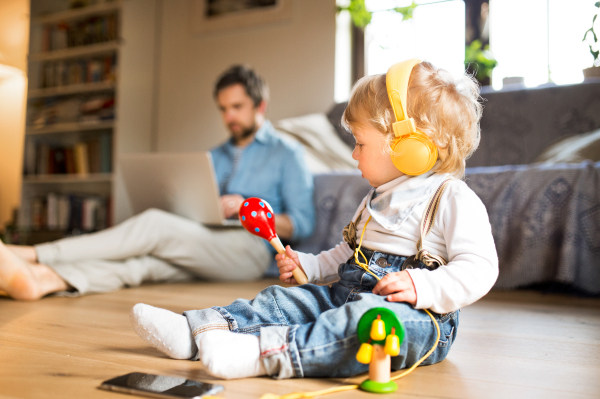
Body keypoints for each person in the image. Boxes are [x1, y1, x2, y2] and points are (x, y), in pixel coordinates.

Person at [129, 59, 499, 380]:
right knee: (282, 300)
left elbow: (480, 268)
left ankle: (263, 355)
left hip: (419, 321)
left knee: (364, 321)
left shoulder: (451, 198)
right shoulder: (375, 198)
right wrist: (308, 264)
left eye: (359, 143)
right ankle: (196, 329)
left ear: (408, 147)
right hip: (346, 296)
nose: (353, 154)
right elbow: (347, 256)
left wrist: (424, 287)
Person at [0, 65, 315, 300]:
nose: (228, 117)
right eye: (223, 109)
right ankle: (42, 280)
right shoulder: (215, 155)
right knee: (145, 265)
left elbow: (303, 223)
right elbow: (202, 207)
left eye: (237, 107)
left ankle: (32, 254)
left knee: (154, 226)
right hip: (205, 240)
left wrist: (246, 210)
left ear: (260, 106)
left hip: (250, 252)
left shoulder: (286, 153)